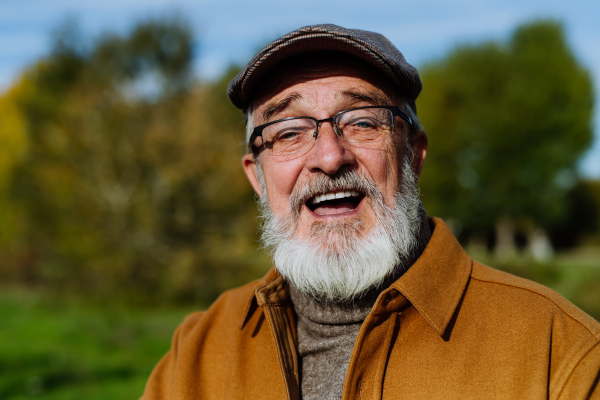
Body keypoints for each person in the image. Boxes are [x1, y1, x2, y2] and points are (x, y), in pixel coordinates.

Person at [141, 24, 600, 400]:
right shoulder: (195, 354)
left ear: (413, 156)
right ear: (257, 178)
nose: (328, 156)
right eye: (288, 132)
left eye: (362, 121)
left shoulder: (559, 350)